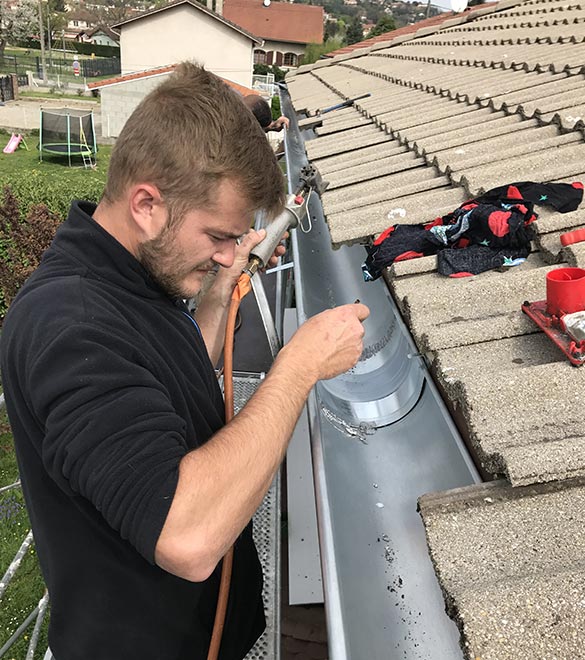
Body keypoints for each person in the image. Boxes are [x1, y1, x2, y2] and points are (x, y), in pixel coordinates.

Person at [0, 63, 369, 660]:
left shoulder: (133, 280)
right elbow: (187, 535)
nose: (230, 257)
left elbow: (150, 393)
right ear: (147, 202)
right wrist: (297, 368)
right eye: (219, 235)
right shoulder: (68, 328)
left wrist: (215, 305)